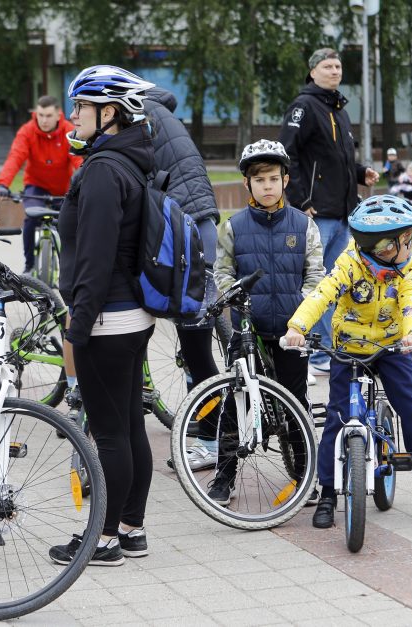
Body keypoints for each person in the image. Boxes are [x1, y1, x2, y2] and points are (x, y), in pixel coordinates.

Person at [48, 65, 157, 567]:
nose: (72, 117)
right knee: (130, 426)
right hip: (133, 316)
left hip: (107, 319)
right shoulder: (130, 160)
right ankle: (132, 530)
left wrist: (79, 323)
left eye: (79, 108)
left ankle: (106, 537)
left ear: (107, 112)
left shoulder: (101, 170)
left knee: (110, 432)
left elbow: (93, 255)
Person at [283, 194, 412, 527]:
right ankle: (327, 492)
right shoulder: (349, 264)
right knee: (338, 417)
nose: (411, 246)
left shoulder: (404, 269)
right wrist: (298, 325)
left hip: (391, 346)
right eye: (406, 241)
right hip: (349, 347)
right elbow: (323, 294)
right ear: (384, 247)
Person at [206, 139, 325, 505]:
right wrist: (239, 300)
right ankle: (224, 477)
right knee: (235, 400)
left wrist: (301, 315)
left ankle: (305, 477)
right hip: (248, 331)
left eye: (274, 178)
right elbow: (222, 273)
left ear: (286, 180)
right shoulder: (234, 227)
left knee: (295, 403)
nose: (268, 186)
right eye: (260, 180)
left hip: (292, 331)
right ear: (247, 185)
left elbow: (316, 275)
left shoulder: (304, 226)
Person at [278, 47, 380, 377]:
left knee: (338, 284)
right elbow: (286, 155)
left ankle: (330, 353)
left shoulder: (338, 109)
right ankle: (317, 354)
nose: (335, 70)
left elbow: (336, 158)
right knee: (317, 284)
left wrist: (361, 171)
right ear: (313, 72)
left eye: (337, 66)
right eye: (327, 66)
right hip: (316, 213)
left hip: (342, 213)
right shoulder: (303, 106)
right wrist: (299, 201)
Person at [141, 85, 225, 471]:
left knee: (195, 344)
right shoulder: (161, 112)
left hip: (184, 233)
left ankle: (212, 439)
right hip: (196, 224)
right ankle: (205, 427)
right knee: (196, 339)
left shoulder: (139, 115)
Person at [0, 95, 82, 273]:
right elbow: (15, 157)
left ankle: (68, 266)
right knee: (31, 218)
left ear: (58, 115)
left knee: (67, 222)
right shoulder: (27, 131)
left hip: (62, 189)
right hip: (36, 187)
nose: (43, 120)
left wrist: (84, 181)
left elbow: (79, 160)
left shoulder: (69, 131)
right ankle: (29, 265)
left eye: (48, 115)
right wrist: (4, 184)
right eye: (40, 115)